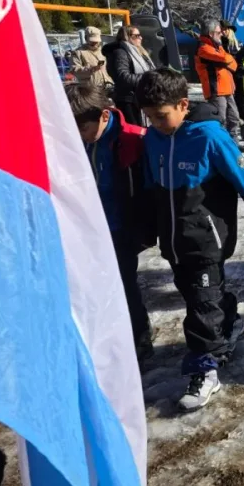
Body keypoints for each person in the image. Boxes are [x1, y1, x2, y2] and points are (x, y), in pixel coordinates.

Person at [137, 68, 244, 410]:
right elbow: (150, 186)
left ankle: (205, 367)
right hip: (173, 240)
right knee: (196, 294)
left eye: (161, 116)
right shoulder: (153, 138)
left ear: (183, 104)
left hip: (206, 237)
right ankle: (228, 322)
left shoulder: (209, 137)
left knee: (202, 305)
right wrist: (148, 227)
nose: (155, 123)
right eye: (149, 118)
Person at [66, 82, 153, 360]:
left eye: (82, 129)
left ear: (104, 115)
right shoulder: (76, 141)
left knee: (124, 285)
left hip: (120, 229)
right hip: (86, 229)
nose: (79, 135)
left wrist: (143, 230)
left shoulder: (133, 140)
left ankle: (139, 344)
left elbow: (148, 190)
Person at [195, 18, 242, 142]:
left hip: (227, 88)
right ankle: (221, 145)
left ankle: (233, 144)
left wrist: (227, 59)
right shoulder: (203, 48)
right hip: (215, 90)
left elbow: (234, 65)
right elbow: (226, 60)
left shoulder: (217, 46)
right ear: (210, 33)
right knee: (221, 119)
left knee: (234, 117)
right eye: (218, 32)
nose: (221, 33)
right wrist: (227, 59)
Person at [104, 24, 155, 126]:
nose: (141, 37)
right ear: (127, 36)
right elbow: (122, 77)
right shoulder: (120, 53)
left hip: (141, 96)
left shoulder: (139, 51)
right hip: (128, 100)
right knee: (135, 131)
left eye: (140, 35)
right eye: (137, 35)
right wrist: (148, 78)